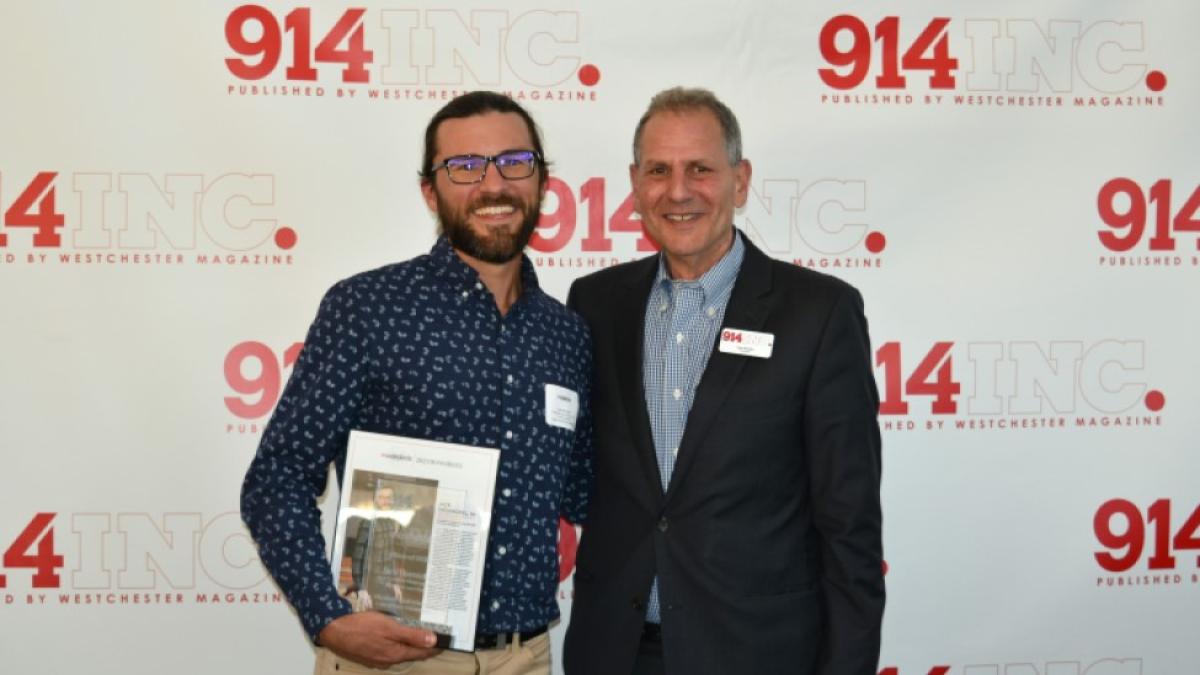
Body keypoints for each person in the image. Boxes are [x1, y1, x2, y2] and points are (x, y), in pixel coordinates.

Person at [241, 90, 593, 675]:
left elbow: (584, 490)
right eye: (464, 167)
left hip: (526, 656)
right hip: (397, 659)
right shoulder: (368, 308)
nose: (493, 184)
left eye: (514, 162)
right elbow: (276, 477)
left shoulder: (566, 335)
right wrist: (327, 616)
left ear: (541, 182)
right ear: (431, 191)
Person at [562, 87, 884, 675]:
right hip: (616, 651)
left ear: (741, 180)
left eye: (701, 170)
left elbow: (850, 526)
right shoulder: (594, 303)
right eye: (659, 170)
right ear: (635, 183)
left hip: (758, 654)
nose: (678, 191)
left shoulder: (819, 314)